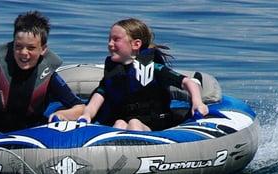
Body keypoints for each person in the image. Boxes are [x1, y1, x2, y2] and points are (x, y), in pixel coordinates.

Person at [0, 11, 85, 135]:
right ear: (13, 45)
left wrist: (62, 114)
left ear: (43, 49)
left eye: (31, 48)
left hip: (31, 130)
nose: (24, 53)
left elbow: (79, 107)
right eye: (18, 47)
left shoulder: (49, 76)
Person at [78, 18, 209, 131]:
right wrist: (87, 114)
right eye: (109, 39)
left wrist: (197, 102)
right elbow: (99, 95)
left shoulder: (153, 68)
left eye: (116, 39)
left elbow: (187, 82)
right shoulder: (113, 71)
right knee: (119, 123)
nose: (110, 44)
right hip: (125, 120)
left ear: (136, 44)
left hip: (156, 123)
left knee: (134, 123)